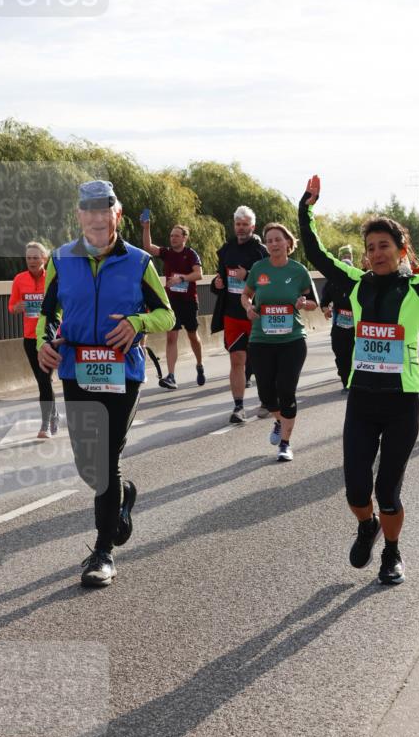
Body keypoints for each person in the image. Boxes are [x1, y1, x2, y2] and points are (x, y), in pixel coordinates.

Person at [299, 174, 419, 586]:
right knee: (357, 492)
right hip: (362, 401)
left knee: (388, 491)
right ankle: (366, 524)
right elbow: (317, 254)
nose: (375, 254)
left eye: (384, 246)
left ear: (401, 250)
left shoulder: (417, 289)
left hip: (401, 402)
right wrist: (306, 208)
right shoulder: (355, 284)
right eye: (370, 247)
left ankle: (392, 552)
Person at [37, 180, 174, 588]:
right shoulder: (61, 259)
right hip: (77, 369)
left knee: (105, 458)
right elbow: (48, 314)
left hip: (122, 373)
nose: (97, 216)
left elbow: (166, 316)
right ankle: (122, 498)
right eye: (88, 209)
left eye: (105, 208)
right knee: (89, 465)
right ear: (79, 215)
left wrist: (137, 322)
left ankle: (103, 552)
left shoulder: (137, 262)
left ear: (117, 214)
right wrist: (45, 343)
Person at [241, 223, 318, 461]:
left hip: (292, 340)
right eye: (269, 240)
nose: (273, 244)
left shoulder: (299, 271)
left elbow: (314, 302)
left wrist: (304, 304)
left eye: (278, 239)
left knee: (286, 390)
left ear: (288, 243)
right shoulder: (258, 268)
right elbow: (246, 294)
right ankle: (279, 421)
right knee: (267, 395)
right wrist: (248, 307)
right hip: (261, 340)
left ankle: (285, 443)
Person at [211, 205, 268, 423]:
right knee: (237, 359)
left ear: (253, 226)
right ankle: (238, 407)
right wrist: (217, 284)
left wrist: (249, 275)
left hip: (256, 315)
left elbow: (269, 282)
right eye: (238, 224)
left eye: (245, 225)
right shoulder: (226, 250)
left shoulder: (261, 251)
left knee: (261, 361)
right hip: (232, 314)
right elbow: (221, 281)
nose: (241, 228)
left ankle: (266, 400)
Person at [141, 218, 205, 389]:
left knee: (193, 337)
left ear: (184, 238)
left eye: (176, 236)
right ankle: (171, 376)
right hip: (172, 302)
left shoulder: (191, 254)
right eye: (171, 236)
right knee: (171, 337)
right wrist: (146, 227)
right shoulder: (167, 253)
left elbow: (199, 274)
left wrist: (182, 278)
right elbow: (149, 248)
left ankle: (199, 364)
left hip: (189, 302)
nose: (173, 239)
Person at [9, 241, 59, 438]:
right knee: (41, 380)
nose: (31, 261)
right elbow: (11, 306)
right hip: (29, 338)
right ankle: (54, 414)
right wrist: (18, 307)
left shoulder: (53, 279)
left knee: (44, 379)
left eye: (35, 258)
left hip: (48, 337)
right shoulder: (19, 279)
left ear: (44, 259)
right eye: (28, 258)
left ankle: (45, 424)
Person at [320, 248, 356, 389]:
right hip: (339, 324)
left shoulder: (357, 282)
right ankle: (345, 380)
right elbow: (323, 302)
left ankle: (354, 381)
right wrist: (326, 310)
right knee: (340, 353)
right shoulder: (332, 283)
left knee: (354, 354)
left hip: (357, 326)